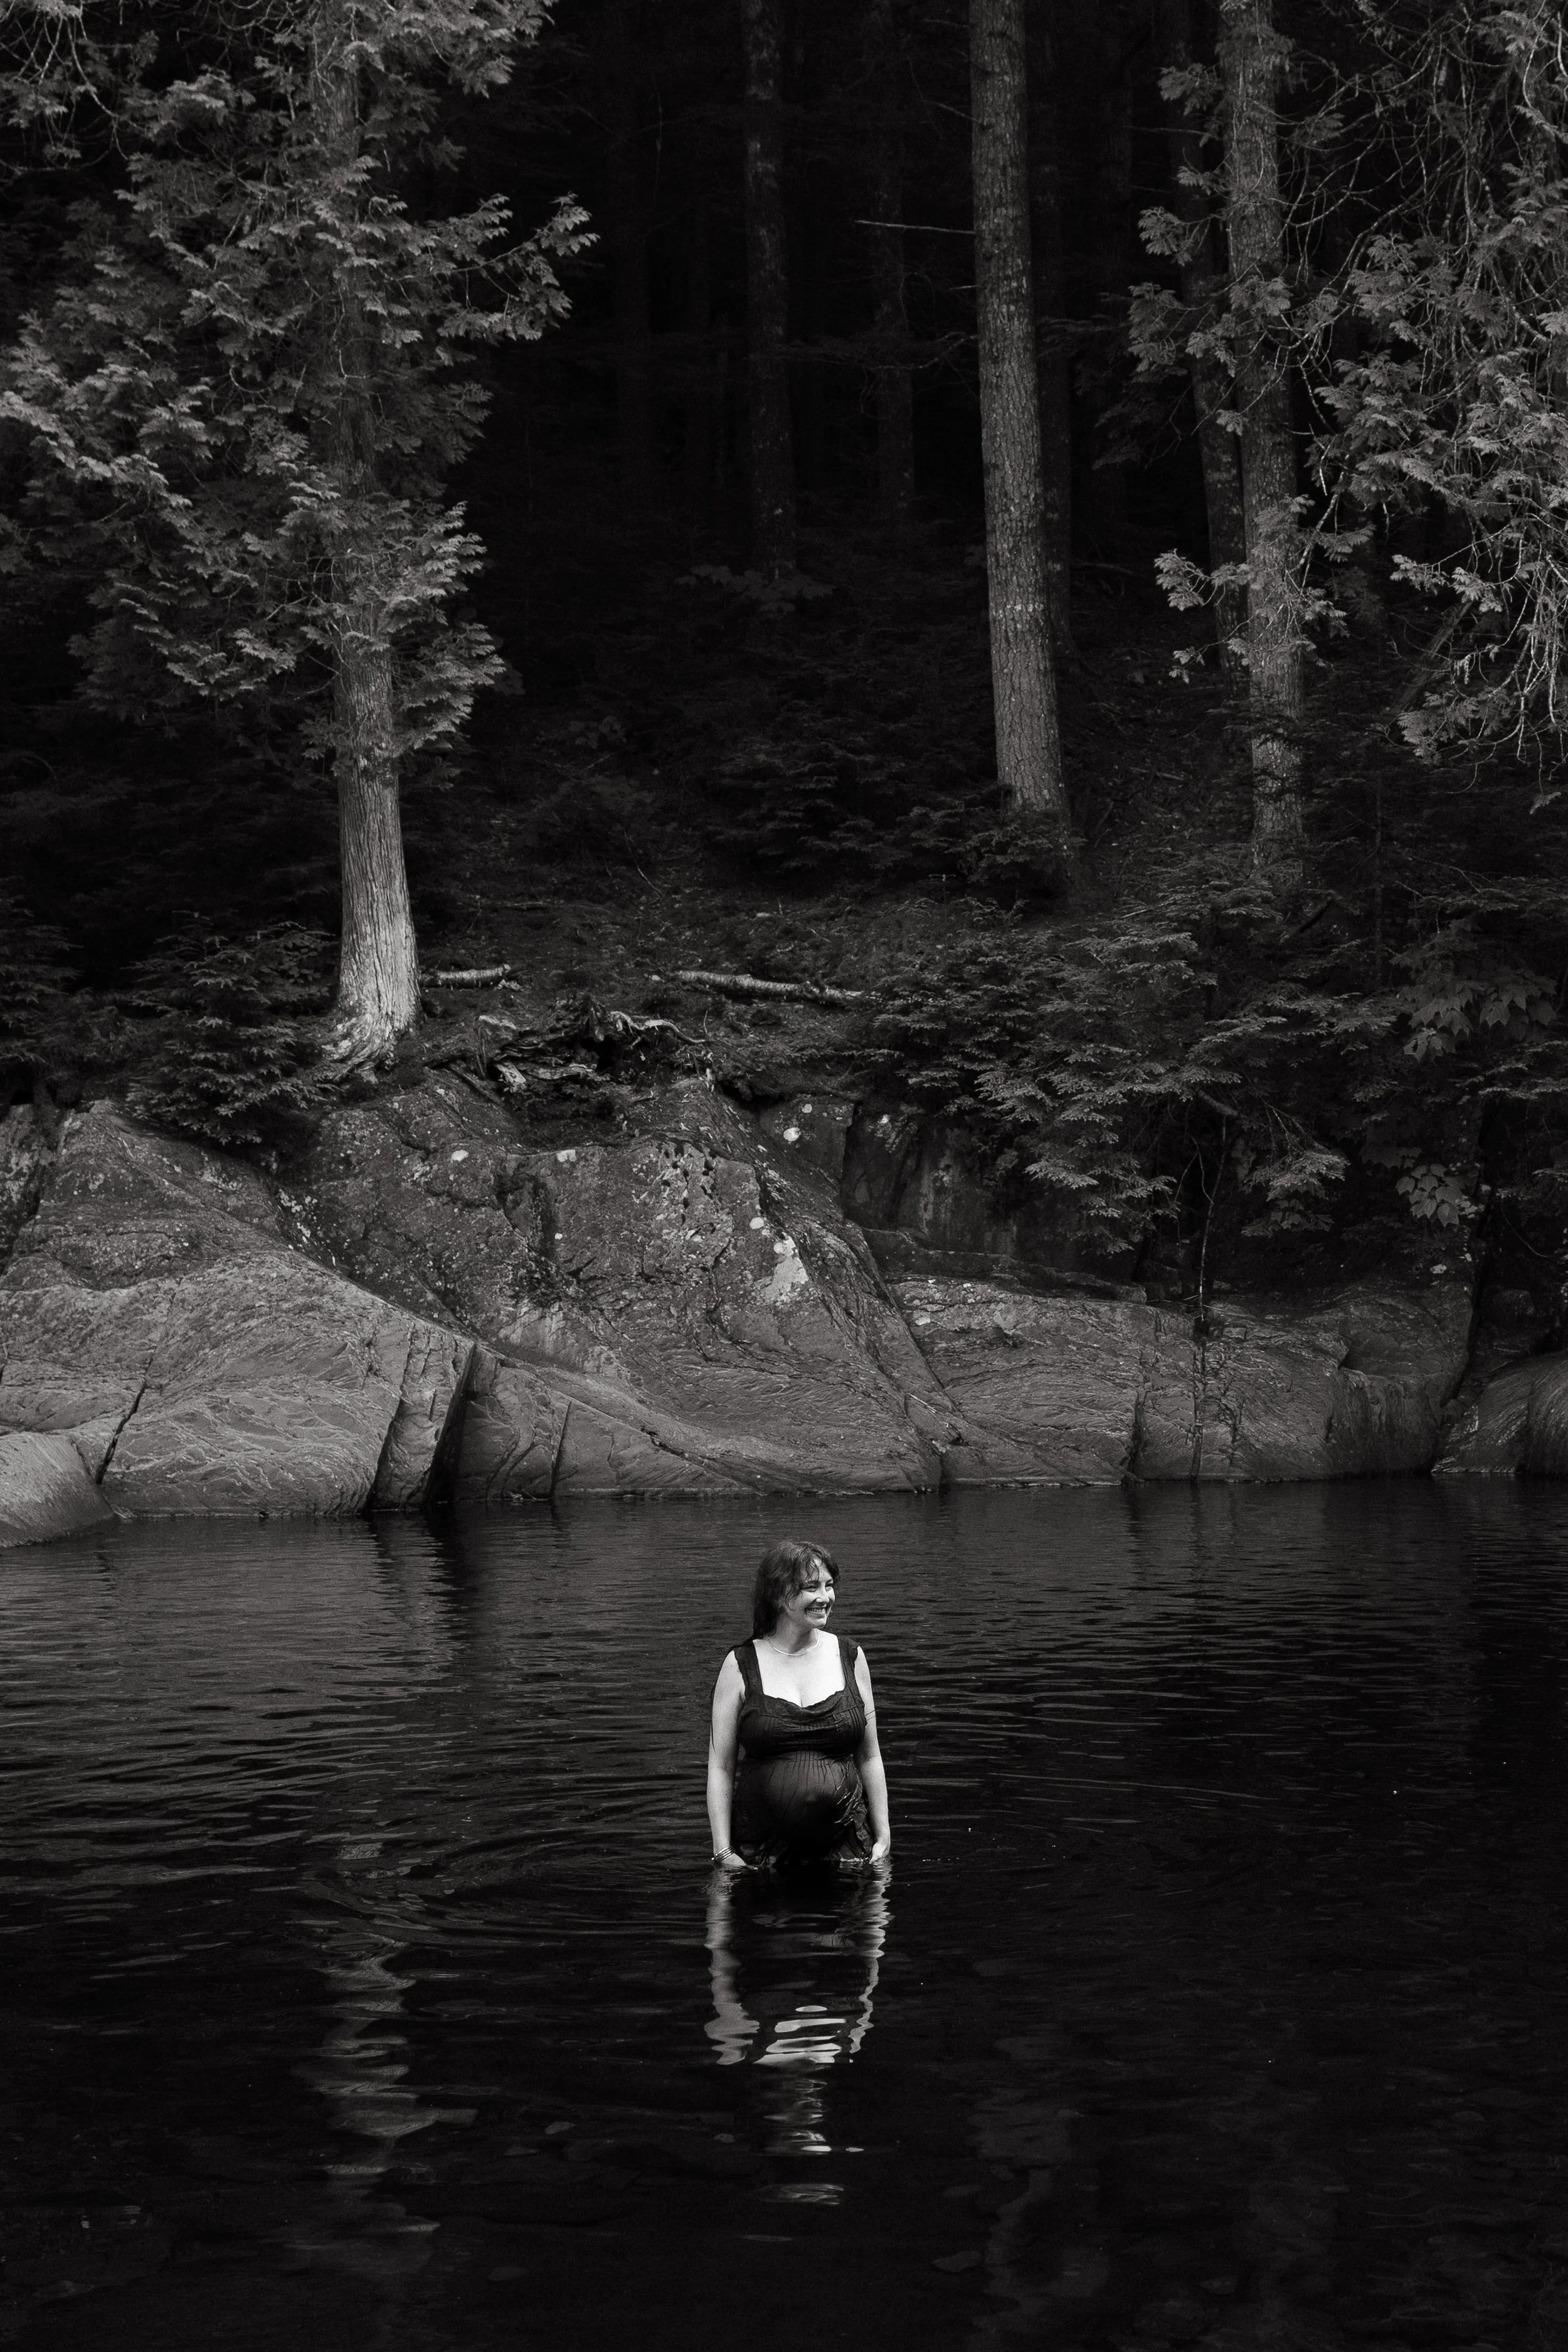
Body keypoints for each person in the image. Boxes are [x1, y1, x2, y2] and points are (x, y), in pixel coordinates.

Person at [707, 1540, 891, 1872]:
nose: (825, 1597)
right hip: (759, 1855)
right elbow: (721, 1767)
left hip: (848, 1851)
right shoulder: (739, 1665)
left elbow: (870, 1755)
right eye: (811, 1587)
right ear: (778, 1595)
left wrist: (884, 1835)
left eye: (830, 1586)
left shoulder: (851, 1656)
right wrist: (722, 1850)